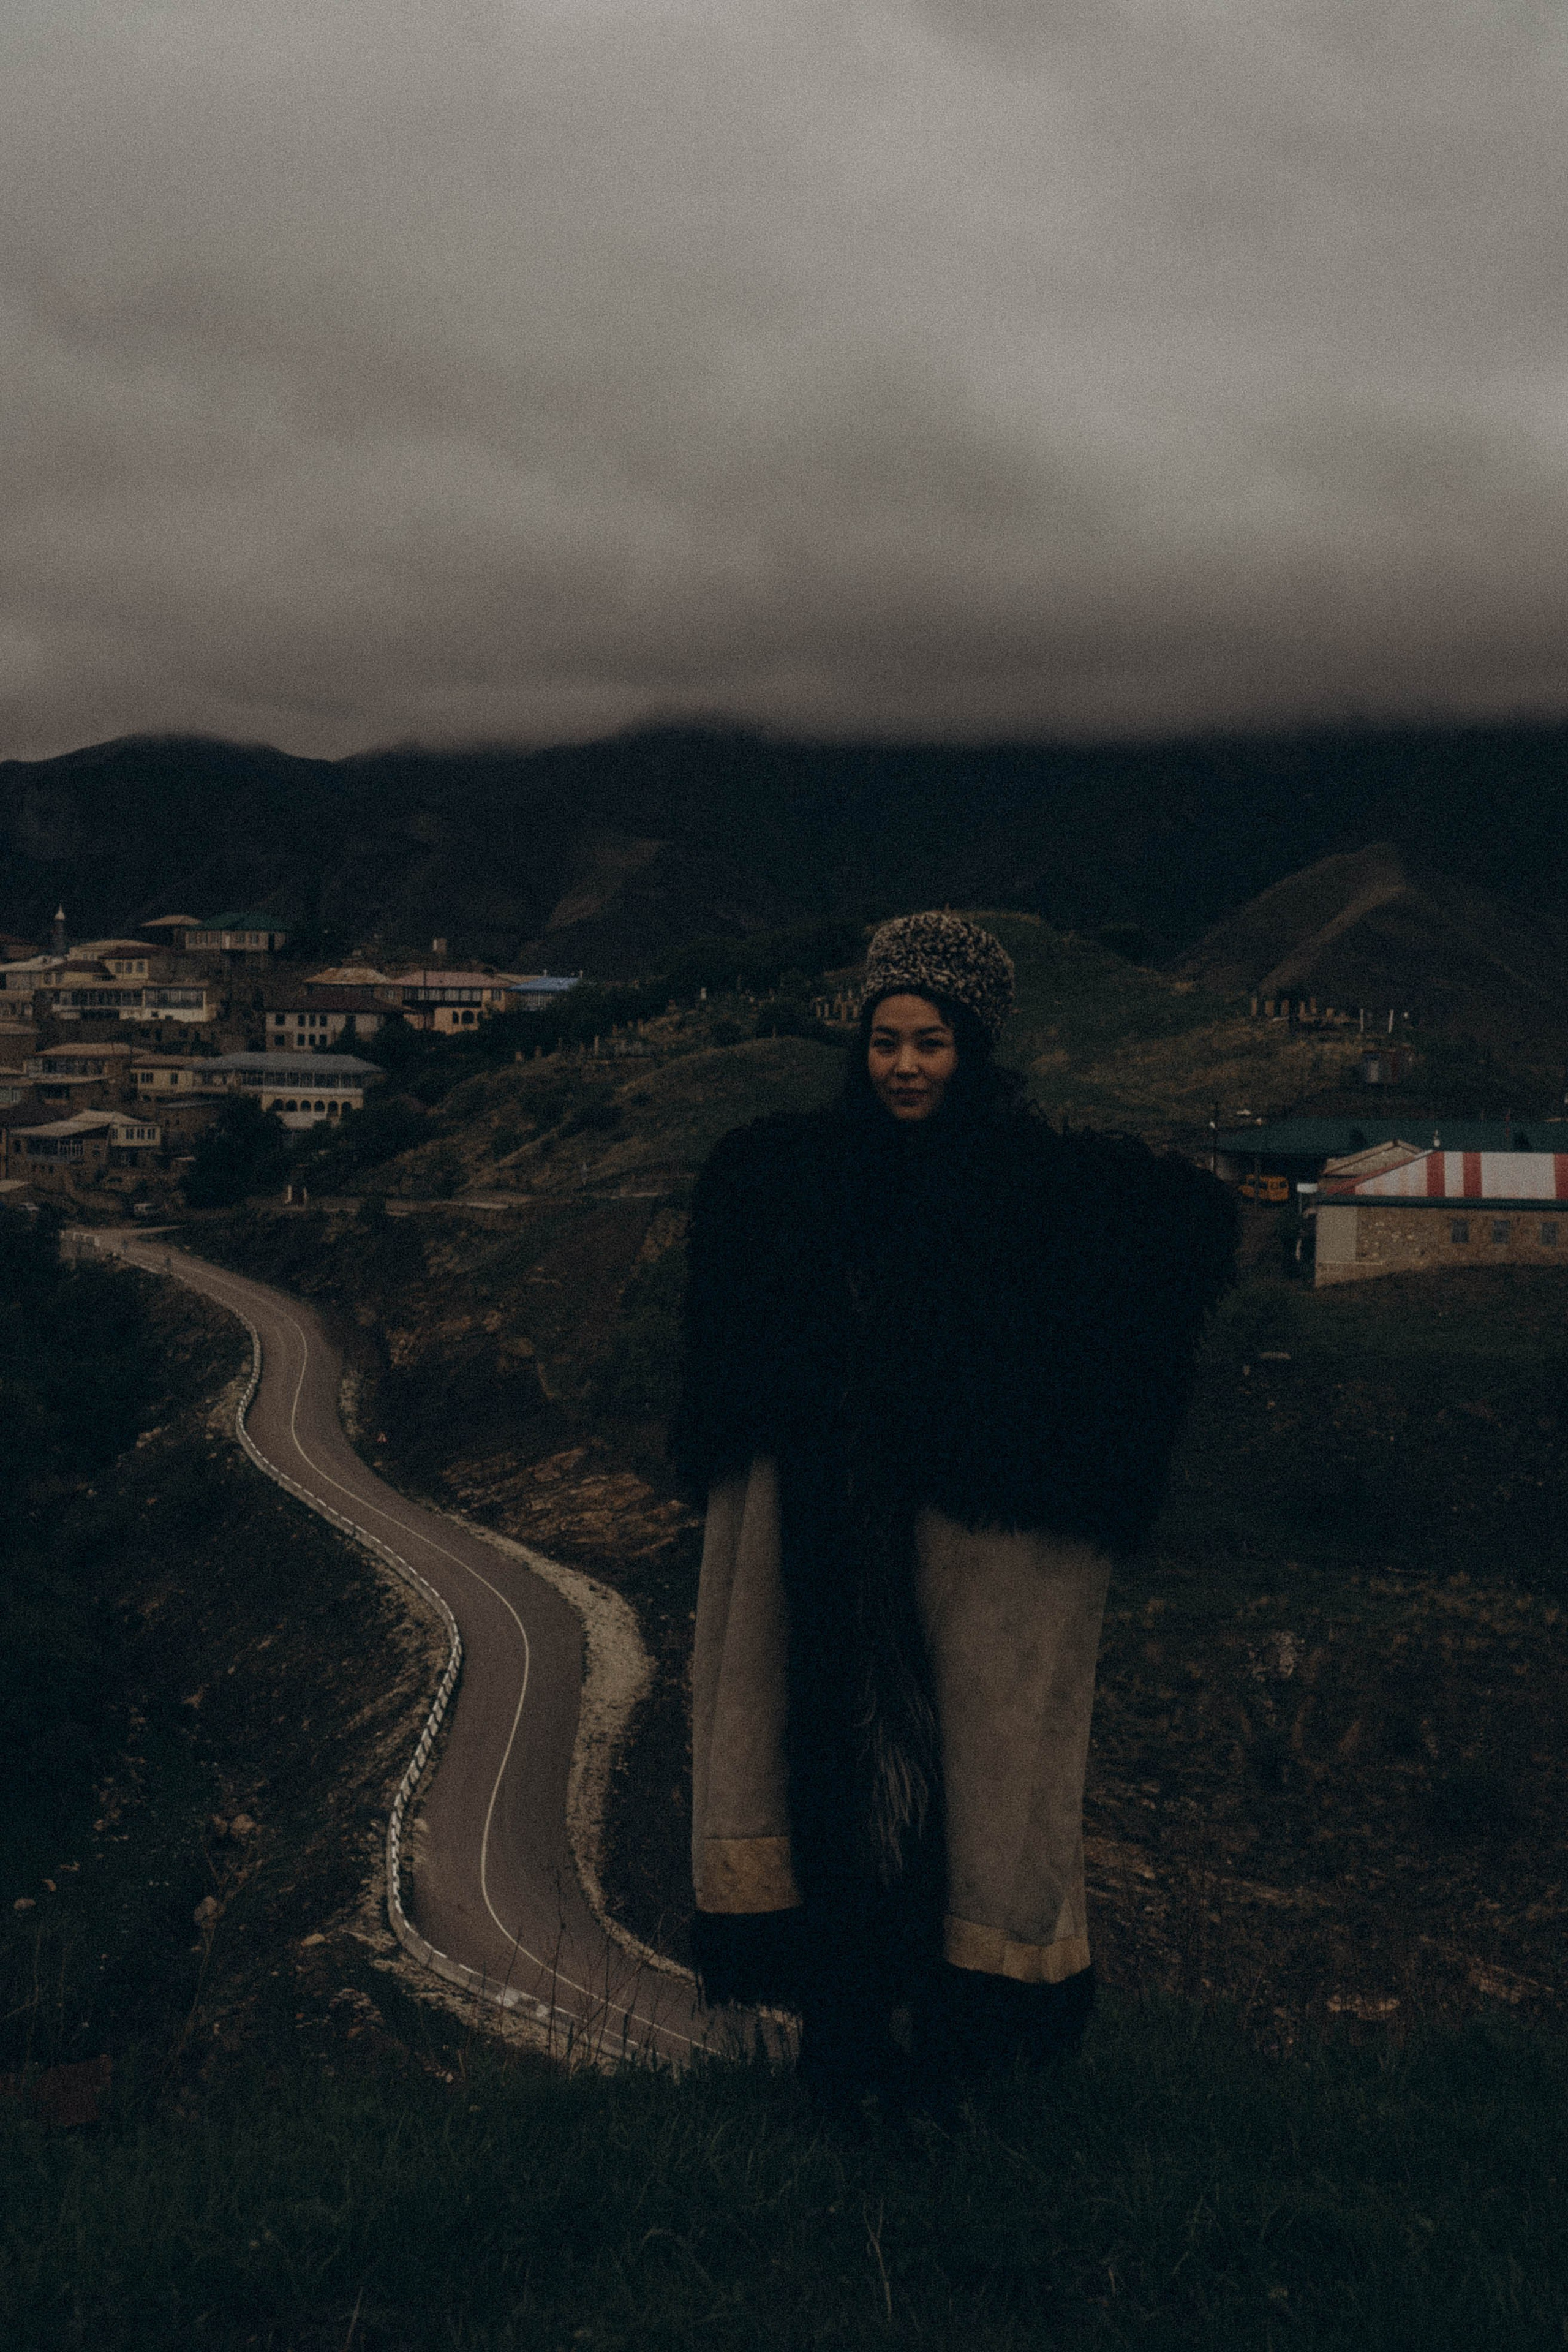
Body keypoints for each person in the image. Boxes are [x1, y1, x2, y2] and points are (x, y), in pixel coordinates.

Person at [671, 911, 1235, 2117]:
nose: (904, 1066)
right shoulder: (797, 1178)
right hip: (823, 1540)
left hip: (947, 1552)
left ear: (971, 1047)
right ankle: (839, 2057)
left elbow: (1156, 1252)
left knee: (962, 1792)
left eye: (930, 1042)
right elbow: (736, 1324)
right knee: (815, 1776)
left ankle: (946, 2070)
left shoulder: (1026, 1186)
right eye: (884, 1041)